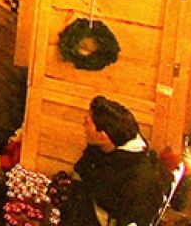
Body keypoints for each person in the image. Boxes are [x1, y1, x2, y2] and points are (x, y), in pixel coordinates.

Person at [63, 97, 171, 226]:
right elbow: (80, 176)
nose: (83, 124)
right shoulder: (100, 148)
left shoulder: (140, 183)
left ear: (103, 136)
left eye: (87, 122)